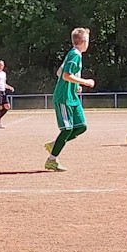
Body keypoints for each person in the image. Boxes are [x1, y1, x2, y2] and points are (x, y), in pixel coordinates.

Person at [44, 28, 95, 171]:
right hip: (64, 97)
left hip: (72, 96)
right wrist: (85, 82)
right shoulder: (75, 55)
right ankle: (52, 160)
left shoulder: (74, 54)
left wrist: (76, 84)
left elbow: (59, 72)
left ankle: (55, 144)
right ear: (84, 41)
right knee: (67, 129)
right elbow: (66, 75)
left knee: (81, 127)